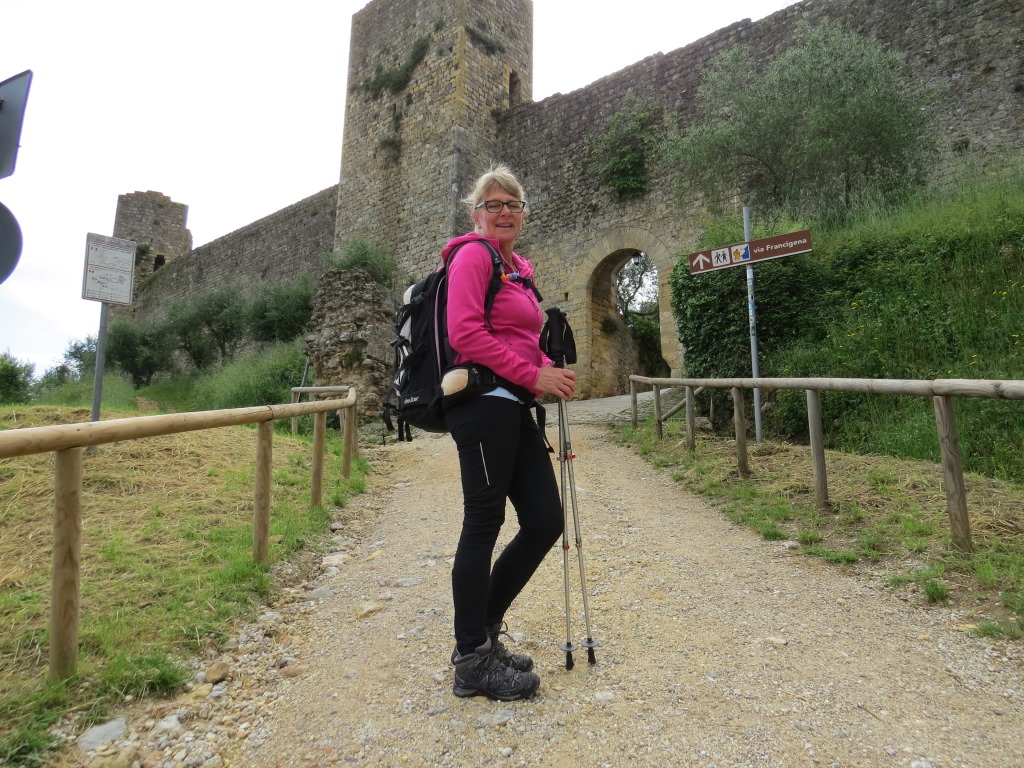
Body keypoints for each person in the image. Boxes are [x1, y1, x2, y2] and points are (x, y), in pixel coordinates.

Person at [441, 164, 576, 701]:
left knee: (545, 520)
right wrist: (533, 374)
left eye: (512, 204)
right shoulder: (473, 255)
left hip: (514, 406)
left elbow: (519, 340)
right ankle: (471, 658)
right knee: (484, 522)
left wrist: (548, 369)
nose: (503, 211)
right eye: (492, 204)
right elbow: (464, 333)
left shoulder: (517, 270)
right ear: (476, 215)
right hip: (480, 405)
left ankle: (485, 630)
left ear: (523, 214)